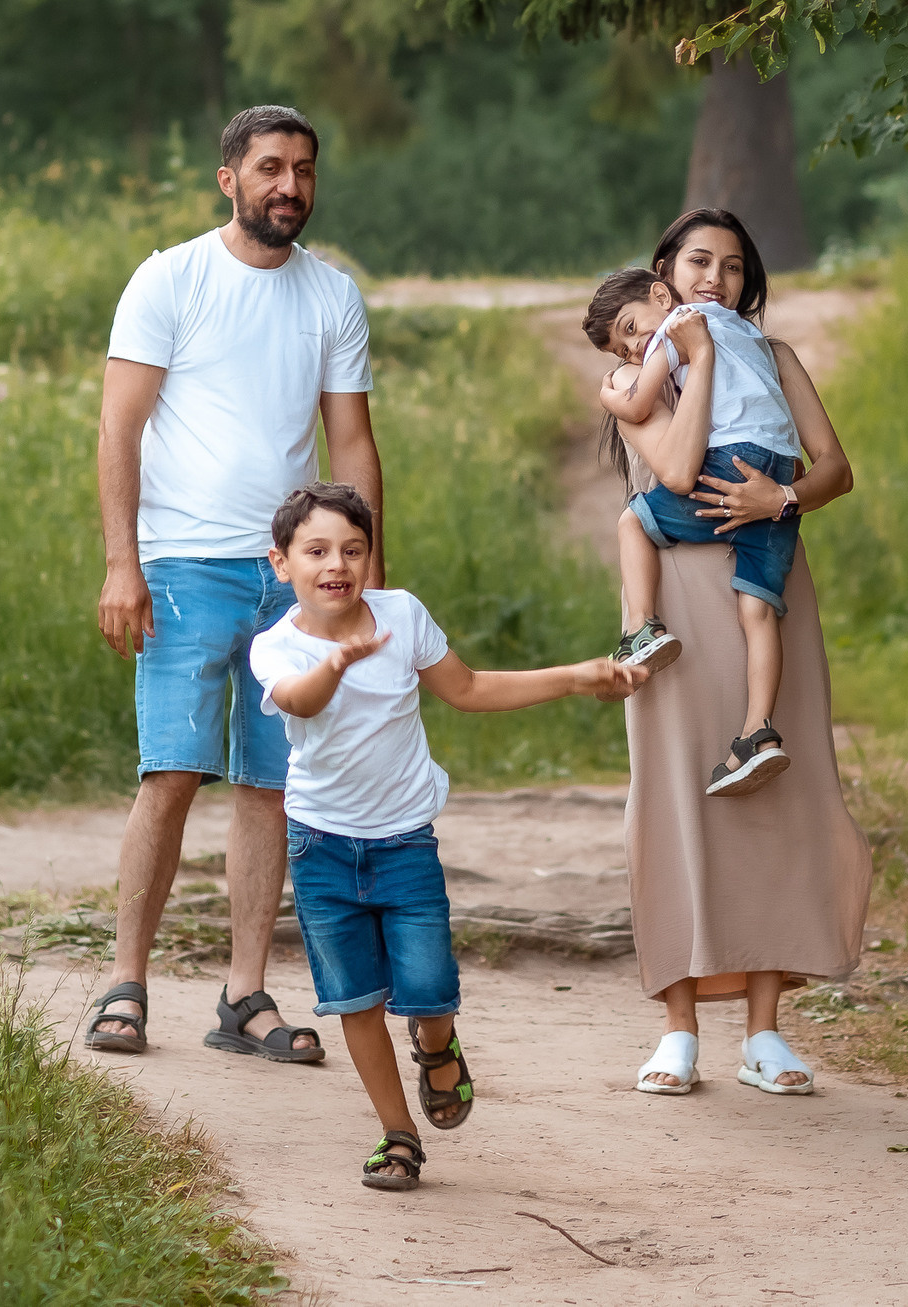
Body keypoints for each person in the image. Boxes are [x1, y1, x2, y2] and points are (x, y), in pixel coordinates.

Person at [84, 105, 381, 1064]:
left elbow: (353, 442)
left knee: (271, 786)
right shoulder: (171, 278)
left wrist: (360, 581)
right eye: (268, 168)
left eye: (302, 169)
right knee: (170, 772)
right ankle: (125, 985)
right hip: (181, 568)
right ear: (229, 178)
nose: (288, 185)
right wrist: (121, 564)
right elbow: (118, 429)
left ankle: (244, 993)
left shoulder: (333, 296)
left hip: (291, 580)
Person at [250, 482, 646, 1188]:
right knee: (354, 999)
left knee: (429, 988)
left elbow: (469, 688)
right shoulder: (275, 647)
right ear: (282, 563)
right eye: (316, 551)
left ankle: (437, 1047)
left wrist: (575, 678)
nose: (336, 563)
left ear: (371, 557)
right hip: (320, 848)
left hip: (404, 840)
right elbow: (296, 700)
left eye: (352, 548)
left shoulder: (402, 615)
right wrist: (336, 663)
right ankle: (398, 1136)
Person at [611, 209, 870, 1098]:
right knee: (672, 791)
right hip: (678, 600)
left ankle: (765, 1031)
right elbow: (672, 473)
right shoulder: (643, 365)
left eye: (731, 264)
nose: (713, 276)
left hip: (770, 582)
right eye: (696, 261)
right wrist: (692, 356)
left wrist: (780, 497)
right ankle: (677, 1025)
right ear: (664, 274)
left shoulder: (777, 357)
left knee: (778, 797)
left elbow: (834, 467)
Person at [584, 267, 803, 796]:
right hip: (778, 474)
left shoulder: (680, 326)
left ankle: (643, 627)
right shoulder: (747, 333)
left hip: (731, 463)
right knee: (757, 608)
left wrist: (608, 397)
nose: (636, 349)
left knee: (636, 519)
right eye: (622, 349)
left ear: (661, 296)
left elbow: (638, 404)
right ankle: (757, 733)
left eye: (631, 329)